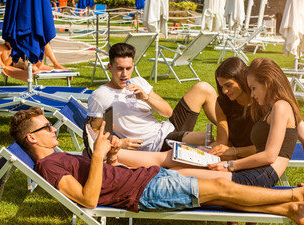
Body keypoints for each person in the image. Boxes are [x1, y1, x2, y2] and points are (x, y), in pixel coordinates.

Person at [9, 107, 304, 225]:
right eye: (46, 128)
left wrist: (108, 157)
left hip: (143, 178)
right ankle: (295, 194)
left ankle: (290, 211)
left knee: (221, 194)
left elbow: (99, 179)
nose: (53, 130)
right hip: (143, 191)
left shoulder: (56, 156)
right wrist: (97, 157)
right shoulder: (49, 166)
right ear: (32, 139)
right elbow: (89, 200)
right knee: (223, 187)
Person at [209, 57, 304, 225]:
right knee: (224, 190)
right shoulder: (230, 101)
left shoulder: (274, 105)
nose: (224, 91)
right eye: (221, 87)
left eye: (228, 85)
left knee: (222, 189)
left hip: (256, 160)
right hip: (242, 157)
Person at [86, 43, 218, 154]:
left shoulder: (139, 82)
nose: (125, 74)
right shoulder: (100, 95)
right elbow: (92, 131)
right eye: (119, 69)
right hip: (154, 144)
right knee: (206, 138)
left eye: (128, 68)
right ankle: (227, 146)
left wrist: (146, 97)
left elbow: (167, 112)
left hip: (167, 129)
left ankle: (230, 129)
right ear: (110, 67)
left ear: (133, 66)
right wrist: (119, 142)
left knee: (203, 88)